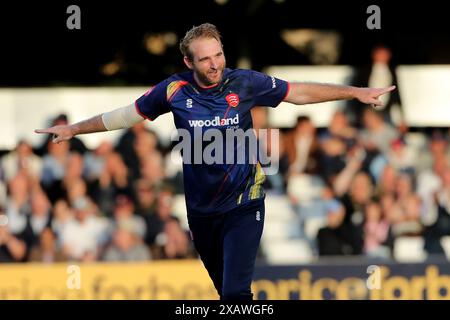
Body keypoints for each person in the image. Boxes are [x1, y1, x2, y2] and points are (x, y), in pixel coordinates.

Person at [35, 23, 395, 300]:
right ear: (188, 61)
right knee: (227, 295)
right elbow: (124, 116)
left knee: (236, 295)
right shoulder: (173, 91)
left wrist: (355, 92)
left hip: (244, 204)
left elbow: (296, 92)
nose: (215, 64)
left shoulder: (246, 83)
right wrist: (75, 129)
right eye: (205, 58)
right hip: (201, 213)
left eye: (218, 55)